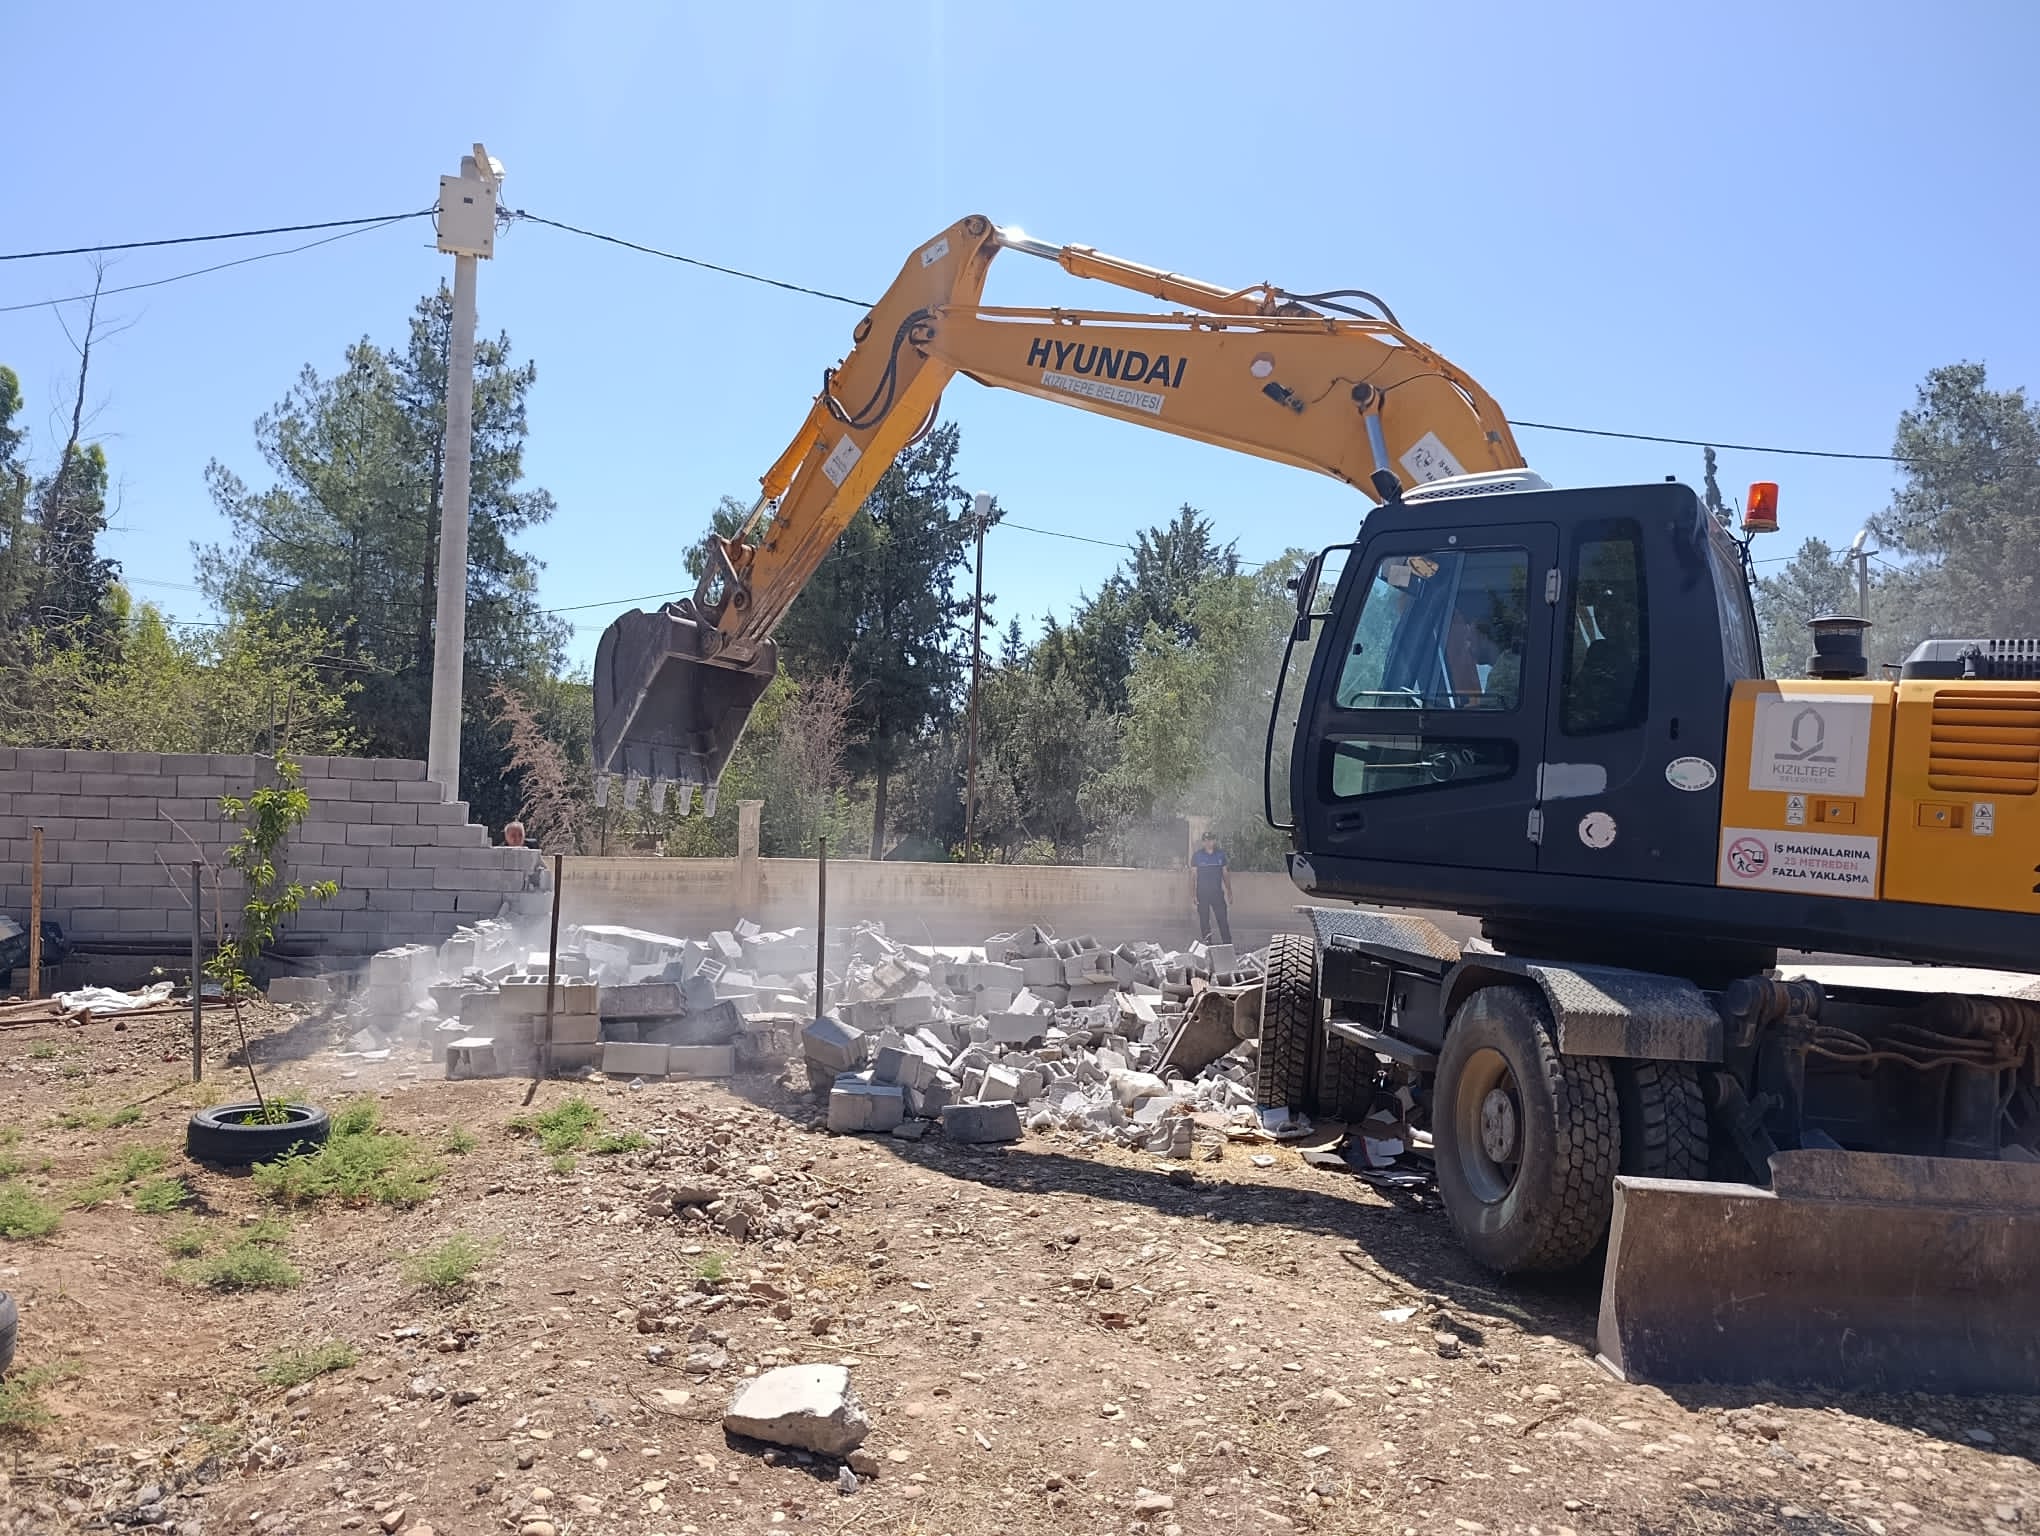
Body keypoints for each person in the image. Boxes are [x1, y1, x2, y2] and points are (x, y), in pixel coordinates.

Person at [1189, 830, 1233, 944]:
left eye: (1210, 840)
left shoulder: (1220, 855)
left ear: (1214, 841)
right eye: (1206, 840)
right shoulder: (1197, 856)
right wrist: (1193, 895)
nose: (1208, 843)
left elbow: (1225, 874)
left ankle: (1227, 945)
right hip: (1202, 894)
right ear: (1203, 842)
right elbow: (1193, 877)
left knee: (1222, 920)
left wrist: (1229, 892)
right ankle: (1208, 946)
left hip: (1217, 894)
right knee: (1204, 921)